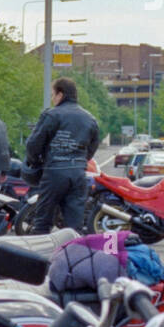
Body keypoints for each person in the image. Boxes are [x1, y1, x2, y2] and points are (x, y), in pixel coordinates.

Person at [25, 77, 101, 233]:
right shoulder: (89, 118)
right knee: (74, 225)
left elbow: (33, 144)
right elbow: (93, 146)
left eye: (53, 95)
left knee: (43, 222)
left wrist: (35, 162)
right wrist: (80, 160)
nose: (53, 99)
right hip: (78, 174)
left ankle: (38, 255)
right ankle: (72, 254)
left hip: (54, 172)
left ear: (60, 94)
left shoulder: (52, 115)